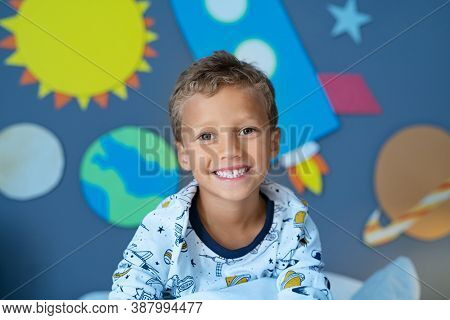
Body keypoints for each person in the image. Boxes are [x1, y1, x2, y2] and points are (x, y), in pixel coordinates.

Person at [109, 50, 332, 300]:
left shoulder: (293, 221)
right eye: (206, 136)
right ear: (184, 154)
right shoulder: (163, 227)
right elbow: (126, 302)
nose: (230, 151)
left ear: (273, 143)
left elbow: (308, 300)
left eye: (247, 130)